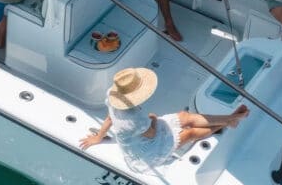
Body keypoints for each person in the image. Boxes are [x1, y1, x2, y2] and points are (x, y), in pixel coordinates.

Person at [79, 68, 249, 171]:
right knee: (189, 134)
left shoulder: (112, 94)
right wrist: (153, 118)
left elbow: (110, 118)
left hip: (144, 131)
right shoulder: (134, 120)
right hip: (144, 151)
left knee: (185, 116)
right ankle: (227, 122)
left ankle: (230, 119)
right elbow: (152, 134)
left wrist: (99, 137)